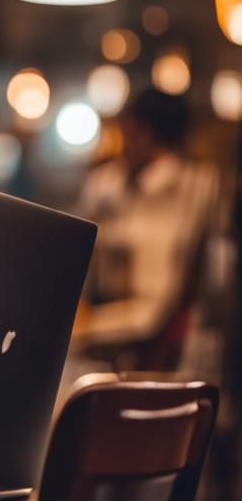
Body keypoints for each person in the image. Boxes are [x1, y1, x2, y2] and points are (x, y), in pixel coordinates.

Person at [73, 86, 219, 368]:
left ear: (145, 132)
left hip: (153, 341)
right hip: (102, 331)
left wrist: (83, 325)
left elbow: (154, 306)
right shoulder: (104, 182)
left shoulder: (196, 188)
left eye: (132, 130)